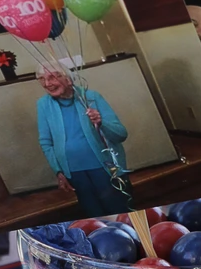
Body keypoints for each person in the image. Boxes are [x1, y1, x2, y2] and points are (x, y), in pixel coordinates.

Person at [35, 65, 133, 216]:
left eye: (53, 77)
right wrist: (58, 171)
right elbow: (46, 142)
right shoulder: (43, 104)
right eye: (42, 79)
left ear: (68, 79)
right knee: (93, 213)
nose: (47, 84)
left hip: (104, 167)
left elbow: (120, 134)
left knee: (119, 210)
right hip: (73, 172)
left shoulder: (91, 97)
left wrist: (101, 122)